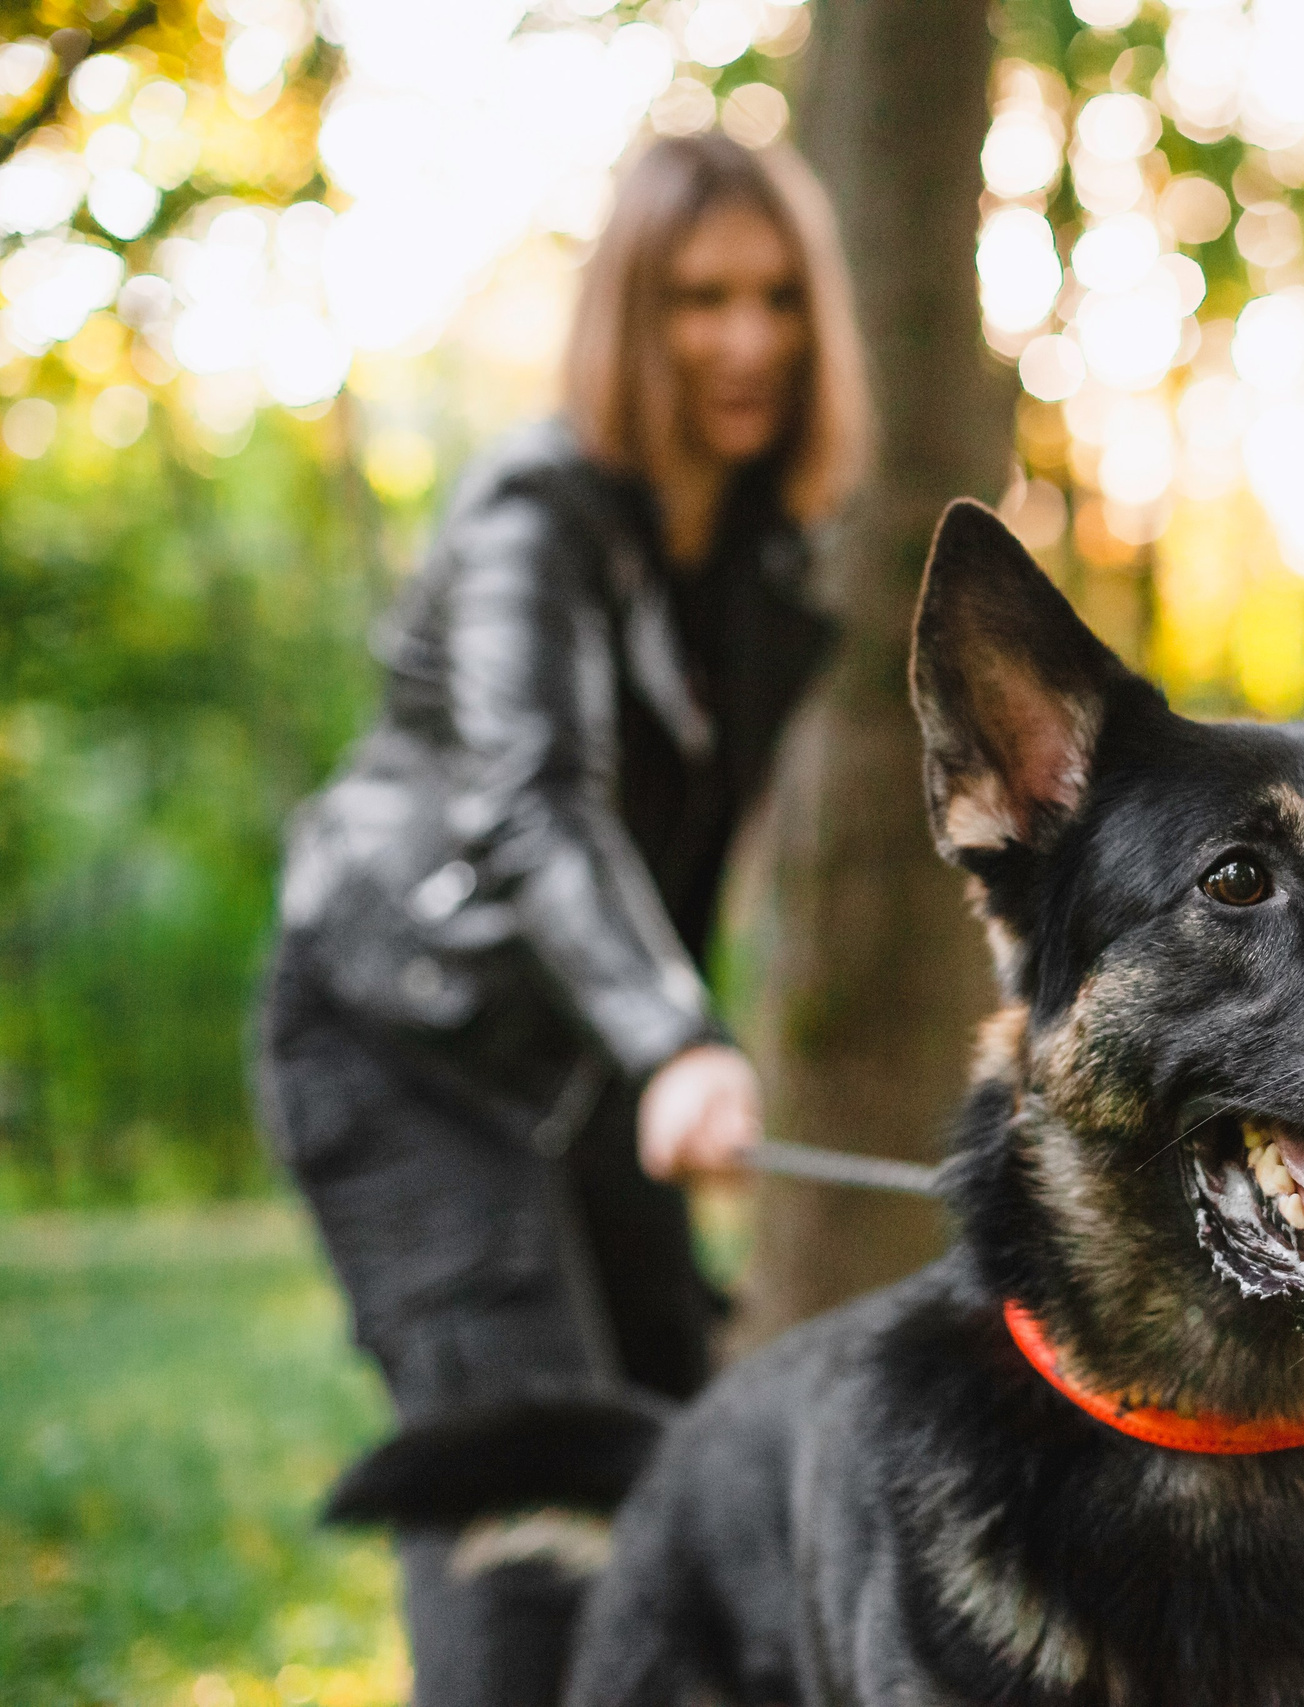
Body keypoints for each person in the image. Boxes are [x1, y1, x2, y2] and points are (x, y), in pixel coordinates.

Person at [256, 133, 866, 1707]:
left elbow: (674, 869)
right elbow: (537, 806)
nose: (746, 340)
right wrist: (678, 1039)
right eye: (699, 300)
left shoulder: (758, 561)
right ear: (629, 317)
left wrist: (669, 1048)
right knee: (520, 1495)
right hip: (405, 1042)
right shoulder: (537, 517)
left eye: (778, 299)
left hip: (582, 1055)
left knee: (670, 1446)